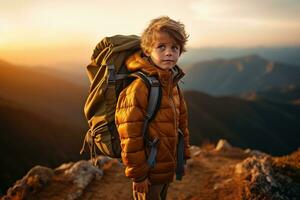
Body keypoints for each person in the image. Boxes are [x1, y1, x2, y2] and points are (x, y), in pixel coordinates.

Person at [115, 16, 191, 200]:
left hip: (166, 165)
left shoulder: (172, 83)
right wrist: (138, 175)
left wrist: (184, 154)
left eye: (175, 47)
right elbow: (129, 136)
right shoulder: (139, 87)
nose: (169, 53)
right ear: (148, 51)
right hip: (148, 170)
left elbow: (181, 121)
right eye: (161, 47)